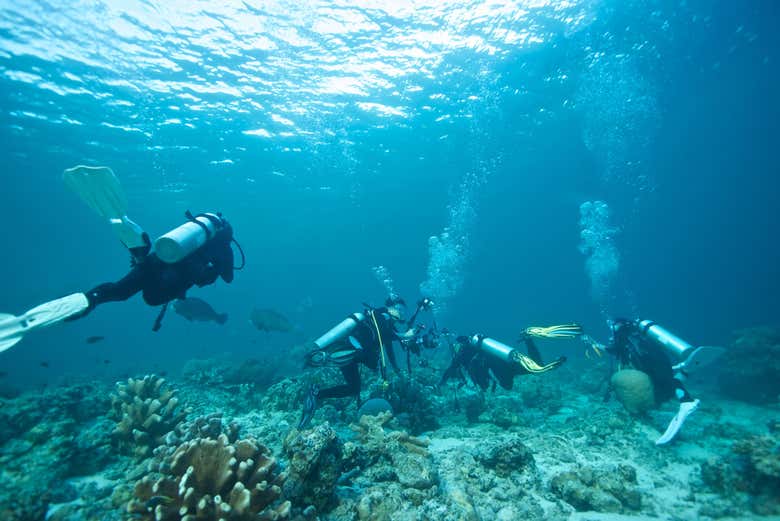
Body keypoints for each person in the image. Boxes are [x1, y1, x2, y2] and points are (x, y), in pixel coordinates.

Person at [0, 165, 242, 351]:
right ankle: (133, 256)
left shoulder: (192, 232)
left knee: (117, 290)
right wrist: (219, 265)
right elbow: (229, 278)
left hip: (155, 259)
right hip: (170, 280)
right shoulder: (222, 247)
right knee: (149, 297)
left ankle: (95, 293)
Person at [587, 318, 721, 445]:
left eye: (612, 327)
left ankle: (686, 401)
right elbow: (620, 351)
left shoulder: (623, 335)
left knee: (666, 383)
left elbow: (616, 350)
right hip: (657, 361)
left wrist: (596, 344)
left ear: (617, 326)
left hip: (650, 365)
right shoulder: (638, 336)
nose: (612, 332)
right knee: (669, 380)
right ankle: (684, 373)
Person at [298, 296, 418, 428]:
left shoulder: (389, 326)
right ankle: (322, 357)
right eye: (399, 309)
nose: (401, 313)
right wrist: (405, 335)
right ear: (390, 307)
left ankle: (316, 394)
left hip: (354, 357)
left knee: (354, 388)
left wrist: (396, 370)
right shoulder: (381, 315)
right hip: (349, 349)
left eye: (404, 311)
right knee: (342, 360)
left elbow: (389, 350)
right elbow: (385, 332)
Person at [438, 325, 579, 391]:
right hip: (509, 357)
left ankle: (529, 339)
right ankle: (528, 338)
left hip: (502, 366)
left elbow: (452, 369)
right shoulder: (476, 348)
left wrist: (441, 383)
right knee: (536, 366)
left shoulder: (463, 354)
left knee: (509, 384)